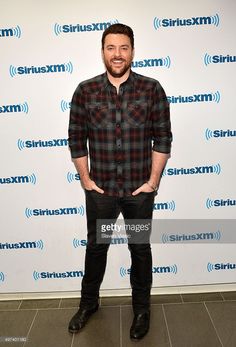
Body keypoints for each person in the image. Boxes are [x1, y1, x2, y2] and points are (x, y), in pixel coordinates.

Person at [68, 23, 172, 340]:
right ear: (103, 51)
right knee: (96, 248)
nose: (117, 54)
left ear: (132, 52)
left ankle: (141, 309)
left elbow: (163, 138)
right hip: (101, 193)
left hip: (138, 194)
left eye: (123, 48)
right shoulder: (85, 91)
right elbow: (76, 139)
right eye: (111, 47)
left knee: (139, 249)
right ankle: (89, 303)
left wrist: (153, 181)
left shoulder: (151, 89)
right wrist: (86, 179)